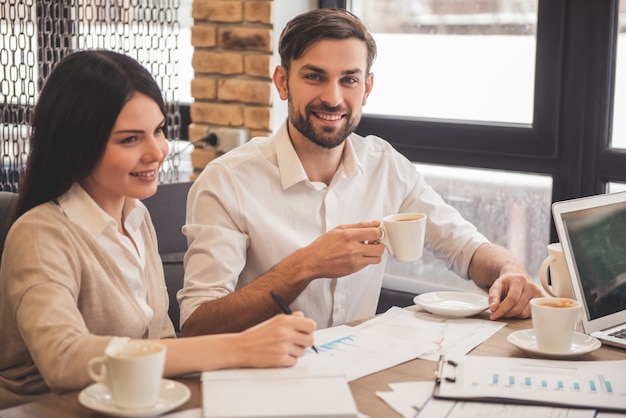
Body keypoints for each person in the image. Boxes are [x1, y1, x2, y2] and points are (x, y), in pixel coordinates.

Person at [179, 8, 544, 337]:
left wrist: (510, 271)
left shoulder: (385, 166)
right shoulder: (227, 181)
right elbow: (198, 324)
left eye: (349, 80)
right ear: (282, 82)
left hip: (359, 371)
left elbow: (465, 247)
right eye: (314, 77)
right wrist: (306, 265)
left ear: (366, 88)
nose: (334, 98)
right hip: (258, 382)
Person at [0, 50, 316, 409]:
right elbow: (64, 359)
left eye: (159, 130)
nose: (157, 151)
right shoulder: (41, 234)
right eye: (130, 139)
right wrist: (239, 347)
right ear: (76, 146)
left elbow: (160, 336)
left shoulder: (136, 216)